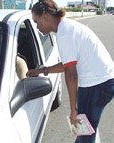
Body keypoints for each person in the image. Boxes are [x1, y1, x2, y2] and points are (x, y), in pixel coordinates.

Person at [26, 0, 114, 143]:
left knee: (84, 132)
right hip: (101, 82)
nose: (37, 26)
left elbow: (71, 74)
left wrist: (73, 110)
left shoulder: (65, 33)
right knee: (88, 128)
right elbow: (68, 64)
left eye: (36, 22)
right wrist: (44, 70)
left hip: (97, 85)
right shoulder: (66, 27)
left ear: (44, 16)